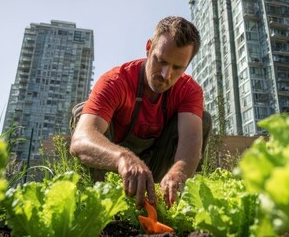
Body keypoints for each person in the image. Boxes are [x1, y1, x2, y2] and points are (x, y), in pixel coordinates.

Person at [69, 16, 211, 209]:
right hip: (114, 168)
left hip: (157, 169)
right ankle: (99, 205)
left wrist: (178, 173)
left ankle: (165, 202)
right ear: (148, 47)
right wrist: (123, 158)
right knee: (82, 112)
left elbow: (191, 141)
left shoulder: (189, 91)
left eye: (177, 68)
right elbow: (80, 141)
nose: (165, 75)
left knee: (203, 118)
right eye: (160, 61)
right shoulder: (116, 81)